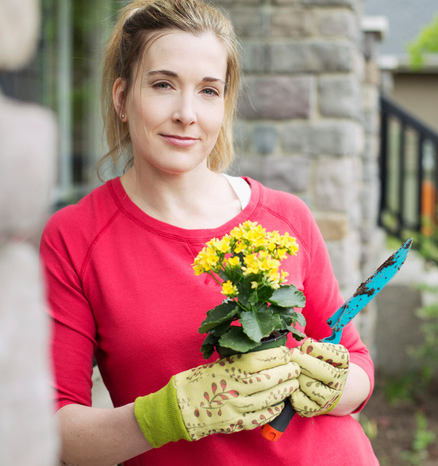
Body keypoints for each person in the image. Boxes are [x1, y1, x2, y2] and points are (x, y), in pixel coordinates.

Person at [39, 1, 378, 464]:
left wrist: (331, 386)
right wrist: (170, 414)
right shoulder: (75, 238)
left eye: (208, 91)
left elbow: (357, 362)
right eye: (162, 85)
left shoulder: (286, 217)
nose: (186, 113)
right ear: (121, 97)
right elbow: (56, 434)